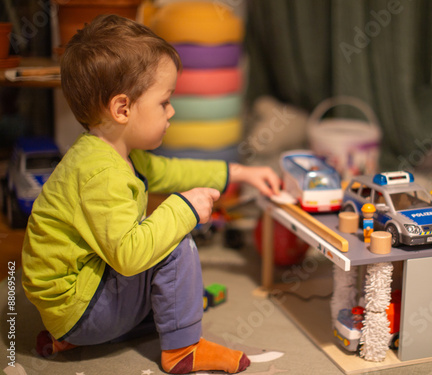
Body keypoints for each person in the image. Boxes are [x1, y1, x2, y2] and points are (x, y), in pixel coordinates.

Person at [21, 14, 281, 374]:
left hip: (73, 307)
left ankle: (153, 314)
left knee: (166, 260)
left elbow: (173, 171)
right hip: (80, 310)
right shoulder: (101, 174)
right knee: (174, 240)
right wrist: (183, 209)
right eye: (164, 102)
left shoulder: (108, 151)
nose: (172, 111)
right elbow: (129, 257)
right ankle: (183, 349)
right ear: (122, 108)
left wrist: (240, 171)